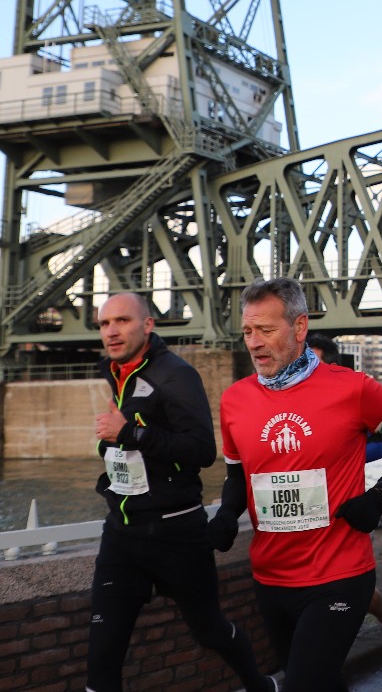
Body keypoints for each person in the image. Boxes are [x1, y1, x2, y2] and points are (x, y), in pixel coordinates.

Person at [209, 278, 382, 692]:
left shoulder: (354, 388)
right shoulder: (234, 400)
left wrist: (379, 497)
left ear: (299, 327)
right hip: (271, 577)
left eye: (266, 330)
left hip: (338, 573)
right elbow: (238, 475)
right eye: (248, 331)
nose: (254, 343)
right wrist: (225, 514)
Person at [86, 292, 273, 692]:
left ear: (147, 325)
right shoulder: (114, 371)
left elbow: (201, 450)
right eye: (104, 323)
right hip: (121, 533)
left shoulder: (176, 375)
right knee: (101, 658)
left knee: (210, 631)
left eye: (122, 321)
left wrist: (131, 433)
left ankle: (260, 686)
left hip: (176, 533)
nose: (111, 331)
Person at [304, 333, 382, 662]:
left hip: (344, 512)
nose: (305, 369)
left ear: (332, 366)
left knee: (355, 592)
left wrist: (343, 455)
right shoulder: (285, 403)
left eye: (314, 362)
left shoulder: (351, 399)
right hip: (303, 516)